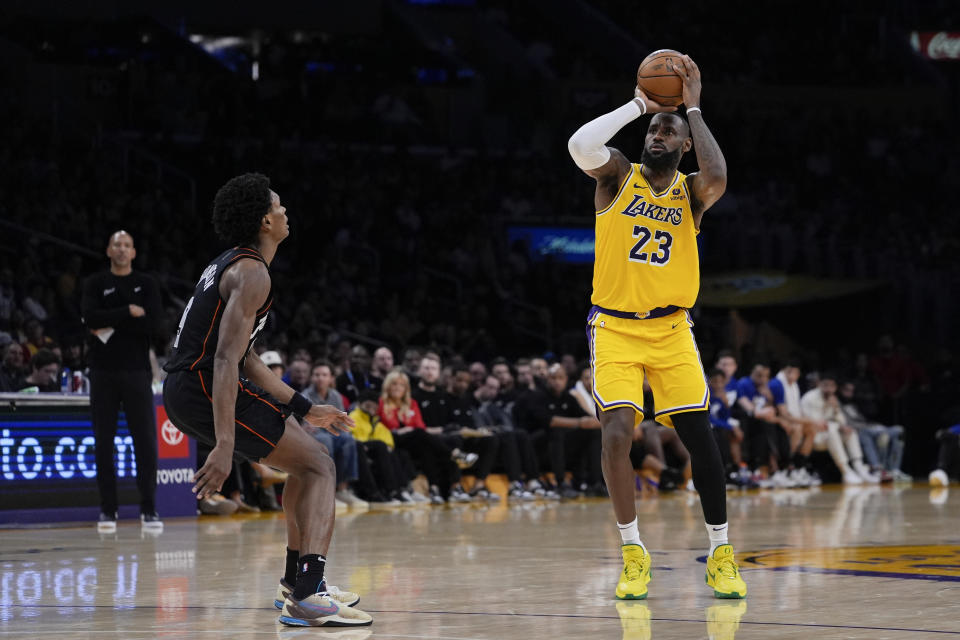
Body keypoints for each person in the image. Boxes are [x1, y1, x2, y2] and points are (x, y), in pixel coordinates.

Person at [567, 54, 746, 599]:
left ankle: (719, 550)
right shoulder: (617, 176)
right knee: (618, 434)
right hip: (616, 330)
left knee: (701, 441)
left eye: (670, 131)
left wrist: (691, 107)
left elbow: (717, 177)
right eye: (654, 129)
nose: (659, 135)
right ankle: (633, 551)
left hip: (671, 331)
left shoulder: (691, 192)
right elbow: (579, 146)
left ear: (684, 141)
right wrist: (640, 105)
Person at [161, 174, 371, 627]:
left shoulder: (233, 264)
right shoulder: (252, 271)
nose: (285, 211)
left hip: (191, 384)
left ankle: (294, 583)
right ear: (264, 220)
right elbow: (222, 361)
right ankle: (309, 593)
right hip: (201, 384)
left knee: (306, 457)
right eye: (279, 206)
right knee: (319, 466)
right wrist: (222, 443)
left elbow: (247, 357)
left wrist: (304, 406)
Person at [81, 230, 163, 533]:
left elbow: (154, 325)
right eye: (116, 244)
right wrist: (128, 312)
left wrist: (109, 318)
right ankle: (108, 510)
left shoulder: (147, 283)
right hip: (102, 372)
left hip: (137, 372)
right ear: (108, 250)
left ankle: (149, 509)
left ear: (133, 252)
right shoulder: (95, 283)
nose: (121, 249)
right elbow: (89, 318)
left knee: (145, 441)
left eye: (127, 245)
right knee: (103, 441)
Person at [303, 361, 368, 508]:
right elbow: (304, 425)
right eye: (317, 375)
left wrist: (345, 428)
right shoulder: (305, 395)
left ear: (331, 378)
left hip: (329, 432)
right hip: (310, 434)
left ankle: (342, 489)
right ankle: (326, 491)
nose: (320, 378)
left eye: (324, 375)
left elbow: (340, 421)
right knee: (326, 440)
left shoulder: (336, 396)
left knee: (348, 440)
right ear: (312, 377)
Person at [800, 372, 879, 485]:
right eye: (825, 385)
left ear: (835, 387)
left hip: (830, 436)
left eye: (831, 386)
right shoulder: (809, 398)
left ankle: (859, 467)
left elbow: (842, 422)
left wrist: (836, 408)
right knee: (832, 431)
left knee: (850, 432)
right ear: (819, 384)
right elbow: (817, 424)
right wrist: (837, 426)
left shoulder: (834, 399)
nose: (828, 389)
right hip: (813, 437)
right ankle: (845, 471)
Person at [838, 380, 909, 481]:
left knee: (899, 430)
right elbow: (846, 422)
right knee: (877, 434)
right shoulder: (837, 404)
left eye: (851, 391)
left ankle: (894, 470)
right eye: (847, 390)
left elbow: (864, 420)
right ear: (840, 390)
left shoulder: (853, 405)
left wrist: (874, 425)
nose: (849, 393)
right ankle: (877, 468)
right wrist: (868, 427)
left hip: (869, 427)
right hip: (858, 431)